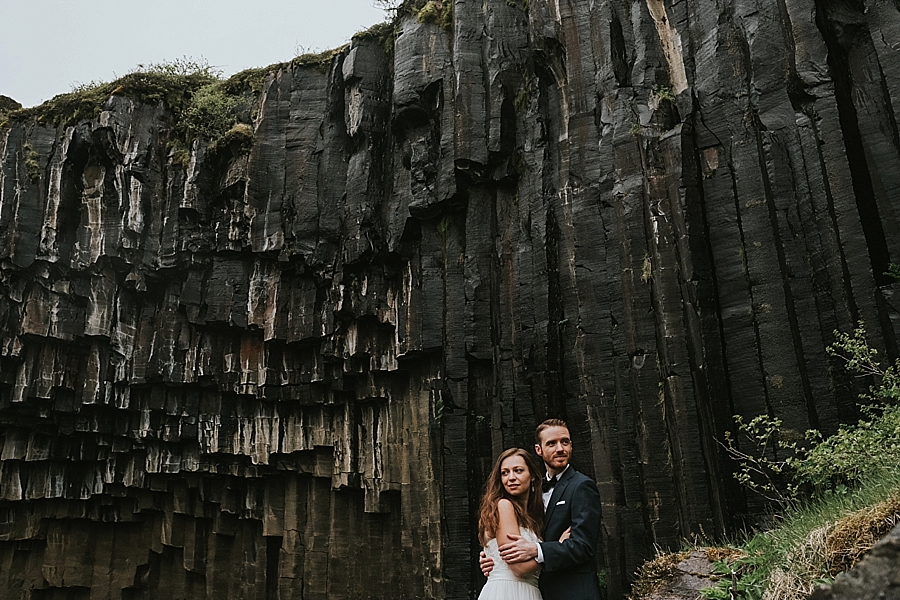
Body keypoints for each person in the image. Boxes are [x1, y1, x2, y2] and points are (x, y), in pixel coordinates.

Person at [481, 419, 603, 600]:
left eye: (565, 442)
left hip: (573, 591)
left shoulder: (581, 486)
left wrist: (538, 550)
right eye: (551, 443)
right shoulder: (526, 499)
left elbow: (584, 545)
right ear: (539, 450)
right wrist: (491, 555)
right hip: (531, 590)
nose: (560, 448)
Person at [476, 447, 546, 599]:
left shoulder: (533, 516)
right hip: (508, 591)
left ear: (532, 475)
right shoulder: (504, 506)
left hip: (529, 591)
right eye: (505, 473)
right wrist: (554, 551)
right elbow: (519, 568)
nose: (511, 477)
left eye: (518, 470)